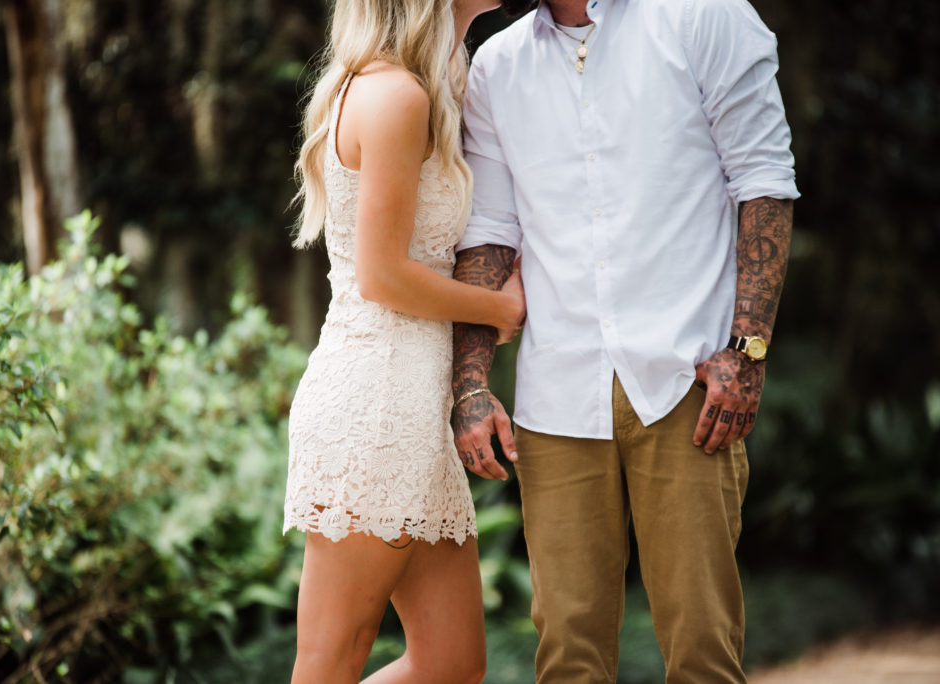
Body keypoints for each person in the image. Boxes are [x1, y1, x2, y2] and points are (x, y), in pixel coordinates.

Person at [450, 0, 799, 682]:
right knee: (567, 655)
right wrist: (470, 382)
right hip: (557, 399)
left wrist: (748, 349)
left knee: (703, 647)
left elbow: (764, 182)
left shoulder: (706, 16)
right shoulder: (496, 63)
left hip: (687, 385)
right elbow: (490, 228)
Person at [282, 0, 527, 681]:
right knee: (329, 661)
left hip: (412, 411)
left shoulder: (423, 87)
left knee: (452, 665)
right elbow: (383, 276)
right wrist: (498, 308)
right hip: (374, 412)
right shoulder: (395, 95)